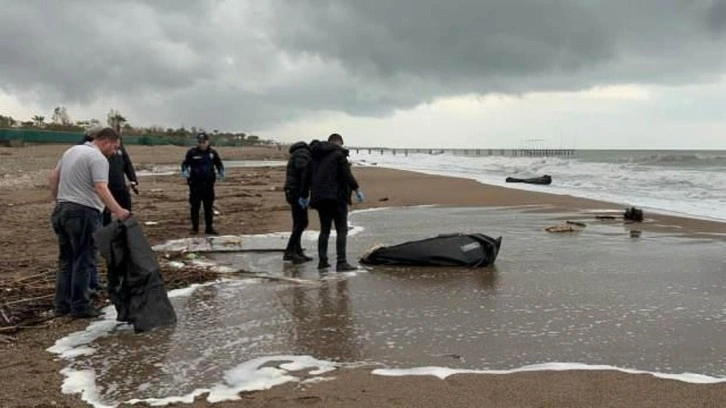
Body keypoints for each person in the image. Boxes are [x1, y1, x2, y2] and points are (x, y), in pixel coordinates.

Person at [50, 127, 130, 318]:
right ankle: (80, 306)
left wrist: (59, 200)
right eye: (115, 148)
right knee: (84, 259)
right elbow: (101, 187)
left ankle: (62, 305)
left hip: (62, 210)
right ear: (106, 142)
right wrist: (119, 211)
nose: (115, 152)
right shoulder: (98, 158)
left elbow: (53, 177)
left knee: (66, 259)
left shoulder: (72, 151)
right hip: (83, 213)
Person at [307, 133, 364, 272]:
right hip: (337, 198)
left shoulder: (315, 156)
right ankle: (341, 262)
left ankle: (322, 261)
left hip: (320, 198)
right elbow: (346, 175)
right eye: (341, 144)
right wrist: (357, 189)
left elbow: (307, 176)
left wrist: (304, 194)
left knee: (324, 230)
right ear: (338, 142)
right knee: (341, 230)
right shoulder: (339, 155)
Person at [181, 132, 224, 235]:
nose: (202, 144)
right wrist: (185, 172)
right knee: (195, 207)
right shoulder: (192, 152)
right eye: (200, 142)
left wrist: (221, 173)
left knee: (208, 207)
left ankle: (209, 228)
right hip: (195, 185)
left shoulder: (212, 153)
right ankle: (195, 228)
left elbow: (219, 164)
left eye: (203, 142)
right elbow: (185, 164)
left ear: (208, 142)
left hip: (208, 185)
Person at [283, 141, 313, 264]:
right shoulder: (302, 153)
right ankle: (290, 251)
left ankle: (297, 250)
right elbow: (303, 171)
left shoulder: (297, 153)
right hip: (296, 192)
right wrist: (304, 193)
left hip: (292, 191)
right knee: (302, 223)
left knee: (298, 222)